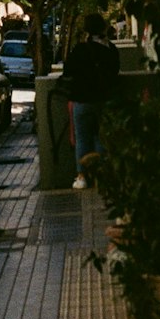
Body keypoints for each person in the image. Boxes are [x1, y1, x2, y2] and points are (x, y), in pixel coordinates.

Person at [61, 13, 120, 188]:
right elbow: (115, 71)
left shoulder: (80, 50)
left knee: (82, 139)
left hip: (82, 100)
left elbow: (67, 72)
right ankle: (100, 175)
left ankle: (81, 176)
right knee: (101, 138)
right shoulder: (110, 49)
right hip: (104, 99)